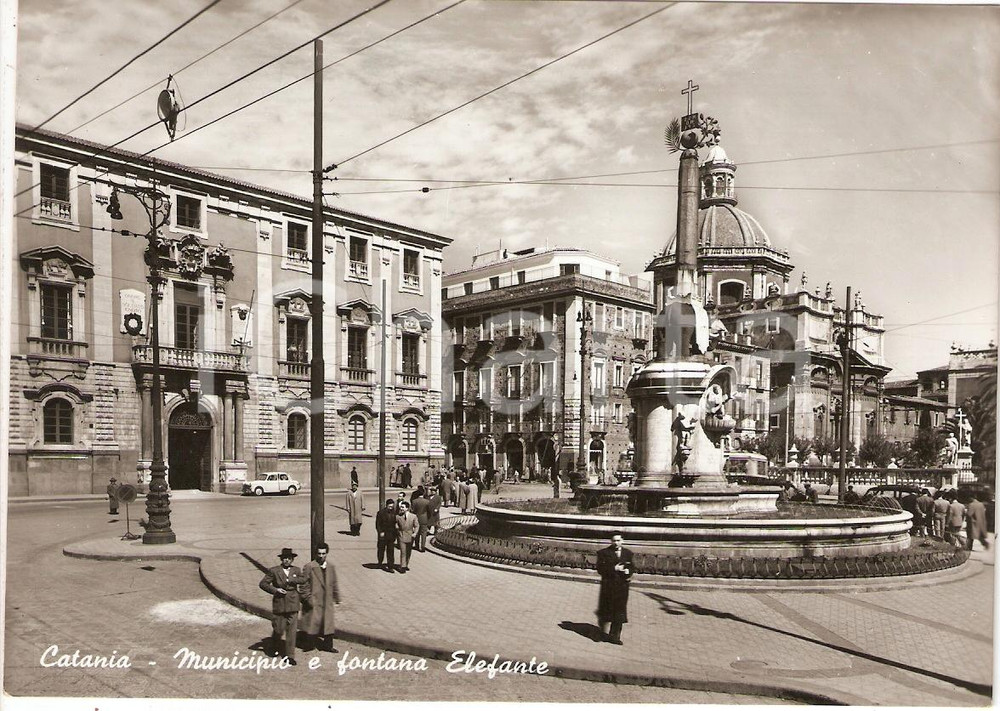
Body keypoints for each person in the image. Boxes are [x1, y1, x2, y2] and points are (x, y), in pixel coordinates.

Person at [258, 547, 305, 664]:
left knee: (292, 631)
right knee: (279, 628)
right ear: (281, 559)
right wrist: (275, 590)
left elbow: (304, 579)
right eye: (285, 558)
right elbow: (263, 584)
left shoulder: (296, 570)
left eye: (289, 559)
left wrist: (294, 581)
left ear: (292, 560)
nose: (287, 561)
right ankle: (275, 642)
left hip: (293, 603)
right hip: (280, 603)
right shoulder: (274, 571)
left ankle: (290, 655)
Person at [300, 543, 340, 652]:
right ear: (316, 554)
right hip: (315, 599)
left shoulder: (331, 567)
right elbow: (303, 585)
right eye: (319, 553)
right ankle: (309, 644)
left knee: (328, 623)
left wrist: (337, 597)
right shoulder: (309, 567)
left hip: (327, 600)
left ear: (327, 553)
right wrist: (308, 599)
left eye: (323, 553)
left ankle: (328, 646)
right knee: (313, 622)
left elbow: (334, 582)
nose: (321, 556)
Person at [596, 532, 633, 645]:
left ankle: (615, 636)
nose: (616, 543)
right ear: (611, 541)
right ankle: (602, 632)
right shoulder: (604, 553)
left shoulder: (628, 553)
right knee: (607, 611)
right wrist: (614, 568)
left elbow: (631, 566)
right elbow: (600, 569)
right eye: (614, 541)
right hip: (609, 587)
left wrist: (628, 571)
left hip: (622, 587)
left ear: (622, 541)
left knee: (620, 612)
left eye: (618, 540)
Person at [395, 500, 419, 572]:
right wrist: (397, 528)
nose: (401, 509)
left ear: (407, 508)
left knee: (408, 551)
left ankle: (406, 564)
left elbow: (417, 526)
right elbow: (395, 524)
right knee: (403, 551)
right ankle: (402, 566)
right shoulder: (398, 516)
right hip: (401, 535)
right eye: (400, 507)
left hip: (410, 536)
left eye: (402, 507)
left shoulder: (413, 516)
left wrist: (415, 533)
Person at [375, 500, 398, 572]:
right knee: (381, 549)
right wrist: (380, 532)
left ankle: (390, 566)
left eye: (392, 506)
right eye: (389, 506)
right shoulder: (380, 513)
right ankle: (380, 562)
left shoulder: (395, 513)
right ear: (386, 505)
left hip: (391, 534)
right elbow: (378, 524)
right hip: (383, 534)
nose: (391, 508)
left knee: (391, 551)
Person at [411, 487, 431, 552]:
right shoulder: (427, 502)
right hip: (424, 519)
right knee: (423, 533)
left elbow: (412, 511)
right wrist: (428, 518)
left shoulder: (414, 501)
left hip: (416, 518)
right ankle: (422, 547)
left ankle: (416, 545)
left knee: (417, 532)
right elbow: (429, 511)